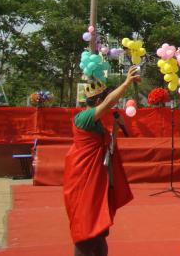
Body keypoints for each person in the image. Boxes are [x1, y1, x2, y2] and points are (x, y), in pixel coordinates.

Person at [63, 66, 139, 256]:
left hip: (98, 180)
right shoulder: (85, 118)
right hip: (85, 182)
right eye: (104, 100)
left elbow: (108, 147)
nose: (110, 106)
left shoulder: (96, 122)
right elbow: (108, 102)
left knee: (99, 231)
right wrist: (126, 83)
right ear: (98, 101)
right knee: (86, 232)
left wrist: (116, 128)